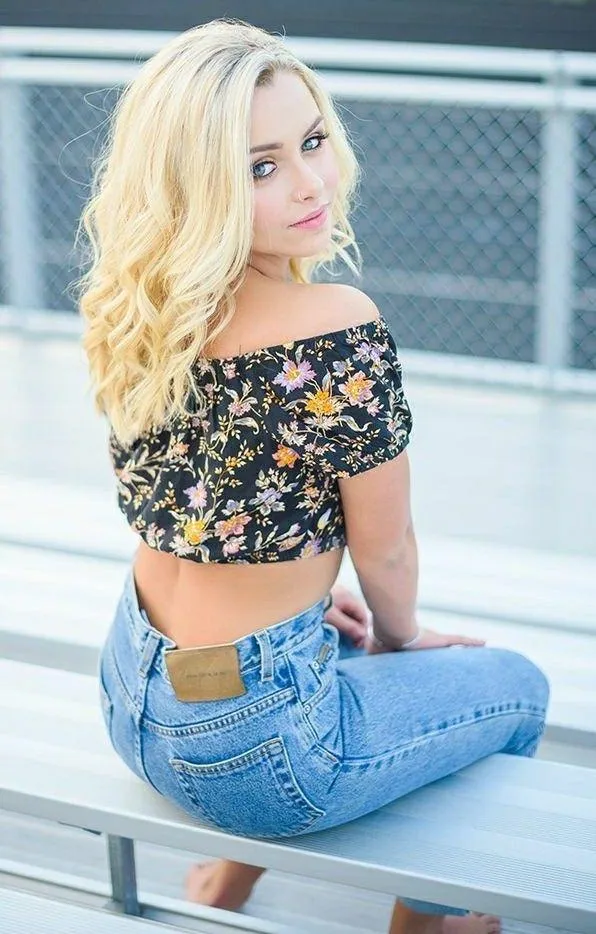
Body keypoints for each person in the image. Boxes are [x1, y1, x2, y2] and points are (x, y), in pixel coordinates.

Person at [76, 18, 549, 934]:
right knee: (518, 689)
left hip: (132, 692)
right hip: (258, 756)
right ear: (200, 185)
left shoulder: (146, 311)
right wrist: (404, 638)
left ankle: (234, 877)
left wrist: (291, 607)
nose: (310, 183)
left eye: (314, 141)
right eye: (261, 166)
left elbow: (205, 508)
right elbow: (389, 549)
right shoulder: (333, 322)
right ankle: (426, 928)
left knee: (337, 630)